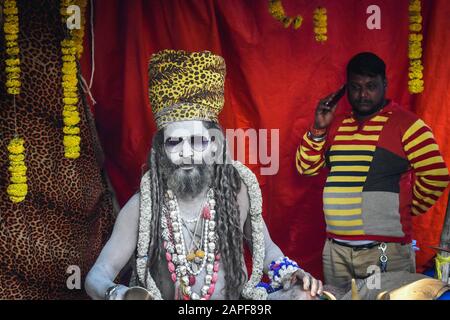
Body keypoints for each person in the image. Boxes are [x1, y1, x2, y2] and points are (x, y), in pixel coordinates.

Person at [85, 49, 323, 300]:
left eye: (197, 142)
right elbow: (97, 275)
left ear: (214, 146)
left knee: (302, 296)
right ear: (161, 150)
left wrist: (290, 273)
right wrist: (119, 294)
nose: (186, 153)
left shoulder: (236, 195)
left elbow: (268, 250)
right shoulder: (144, 206)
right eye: (174, 142)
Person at [296, 52, 450, 288]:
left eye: (371, 86)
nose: (363, 94)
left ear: (385, 84)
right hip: (336, 252)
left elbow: (436, 176)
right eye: (356, 87)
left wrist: (402, 208)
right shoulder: (337, 124)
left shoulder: (407, 124)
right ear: (347, 88)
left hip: (383, 252)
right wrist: (318, 129)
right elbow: (306, 168)